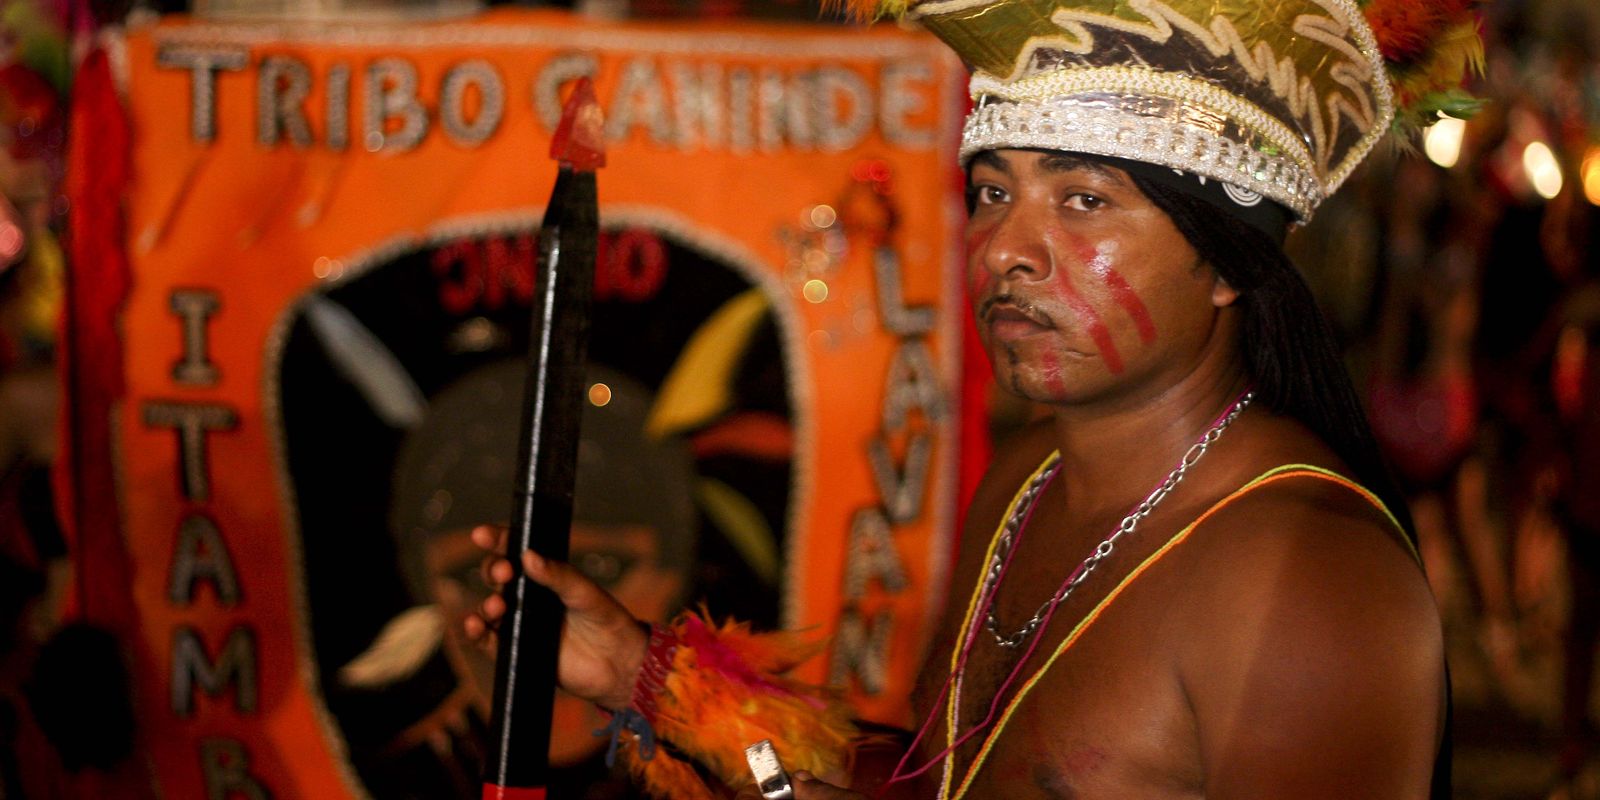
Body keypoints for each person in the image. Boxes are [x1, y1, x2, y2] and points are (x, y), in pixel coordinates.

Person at [470, 0, 1480, 796]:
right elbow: (945, 781)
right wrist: (652, 679)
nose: (1003, 252)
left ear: (1224, 262)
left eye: (1083, 200)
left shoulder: (1310, 581)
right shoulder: (1028, 481)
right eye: (993, 192)